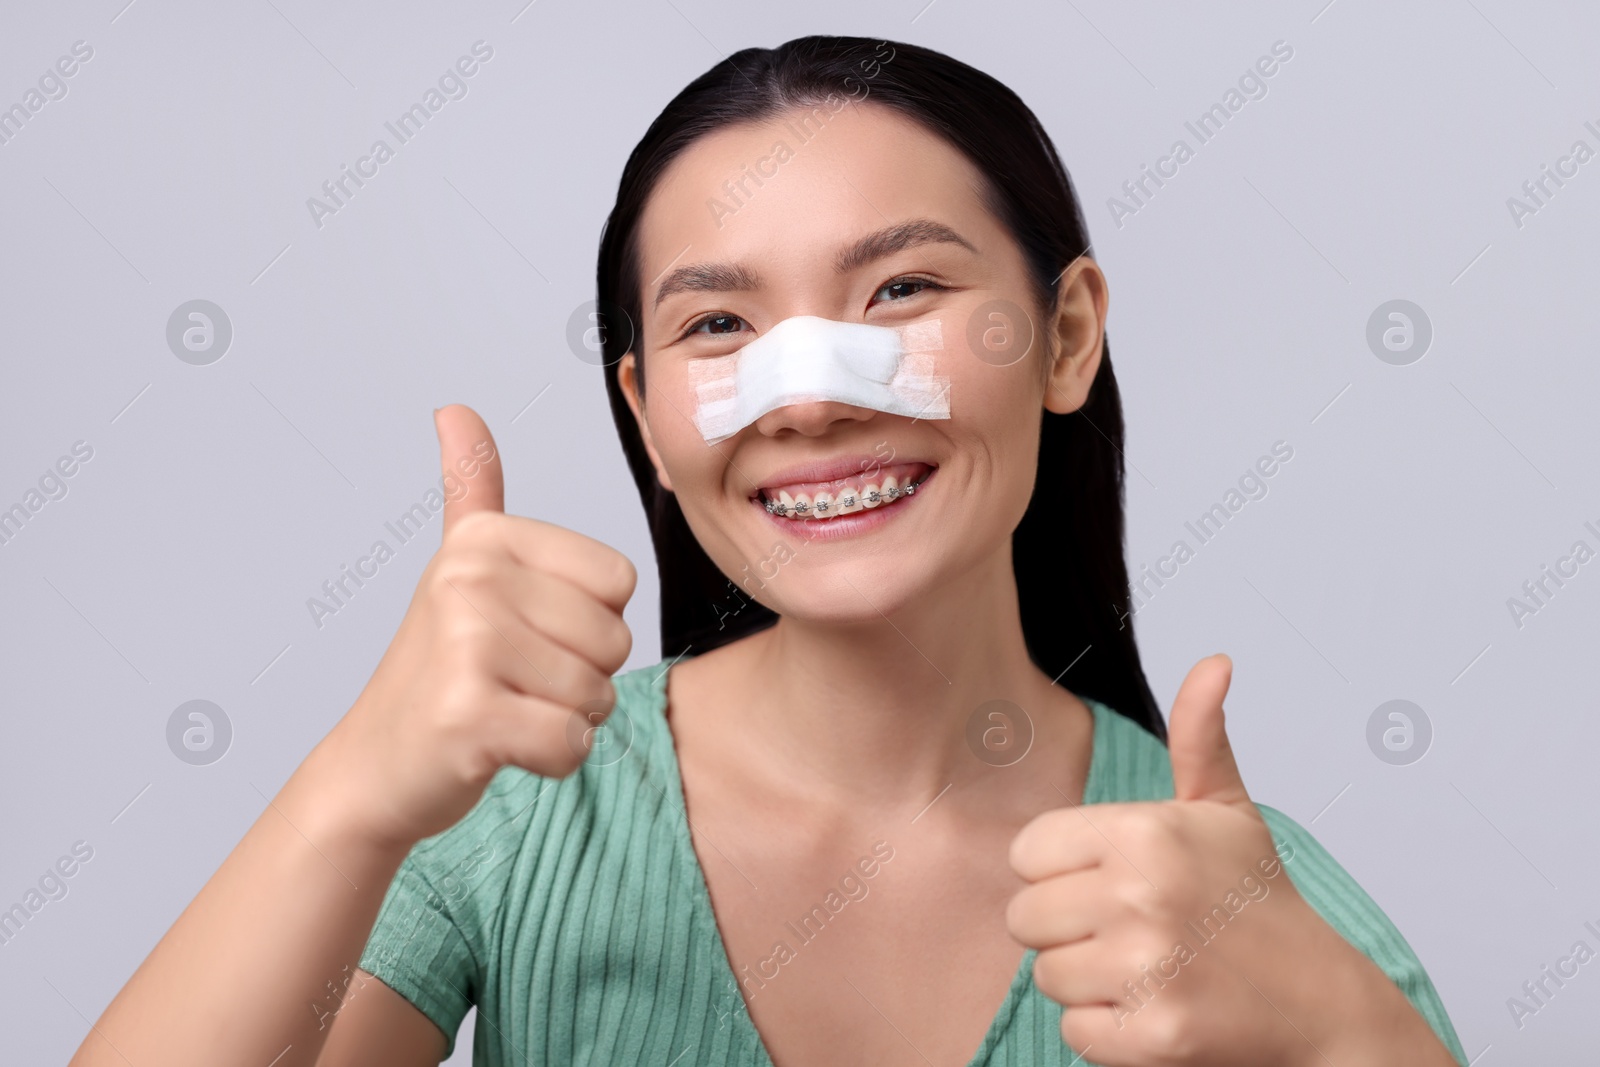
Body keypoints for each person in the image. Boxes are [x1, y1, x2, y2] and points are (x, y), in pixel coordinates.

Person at [71, 35, 1468, 1067]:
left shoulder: (1236, 897)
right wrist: (352, 792)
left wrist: (1354, 1039)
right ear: (646, 415)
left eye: (903, 288)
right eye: (718, 328)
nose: (808, 394)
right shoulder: (516, 817)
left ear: (1064, 336)